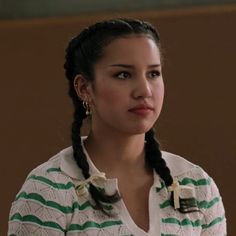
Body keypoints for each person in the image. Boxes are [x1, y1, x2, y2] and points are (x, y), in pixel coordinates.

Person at [8, 18, 226, 235]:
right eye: (123, 75)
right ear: (84, 88)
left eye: (153, 74)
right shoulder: (48, 190)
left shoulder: (197, 186)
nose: (145, 90)